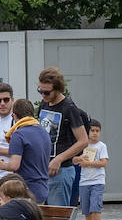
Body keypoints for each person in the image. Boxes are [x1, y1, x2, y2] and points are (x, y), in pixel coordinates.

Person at [36, 66, 91, 207]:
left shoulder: (69, 108)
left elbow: (83, 140)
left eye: (47, 92)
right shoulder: (44, 103)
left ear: (58, 89)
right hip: (44, 169)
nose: (43, 95)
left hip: (61, 171)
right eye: (40, 91)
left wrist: (59, 159)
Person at [0, 99, 53, 203]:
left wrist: (2, 165)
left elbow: (14, 165)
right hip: (42, 187)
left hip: (26, 190)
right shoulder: (44, 132)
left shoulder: (18, 134)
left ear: (15, 116)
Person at [76, 120, 108, 220]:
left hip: (97, 181)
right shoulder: (81, 145)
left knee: (95, 207)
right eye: (92, 130)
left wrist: (88, 163)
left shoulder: (101, 146)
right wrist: (78, 159)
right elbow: (73, 160)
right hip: (84, 182)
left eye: (97, 131)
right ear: (87, 131)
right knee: (86, 209)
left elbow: (103, 162)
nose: (95, 133)